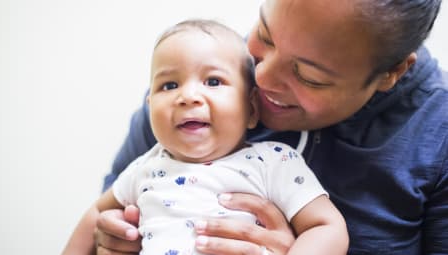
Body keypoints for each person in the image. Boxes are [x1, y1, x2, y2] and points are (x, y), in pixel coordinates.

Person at [95, 0, 448, 254]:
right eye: (265, 33)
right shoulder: (193, 94)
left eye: (309, 76)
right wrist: (111, 237)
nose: (260, 78)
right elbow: (102, 218)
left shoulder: (438, 135)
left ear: (391, 73)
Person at [63, 19, 348, 255]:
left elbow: (326, 227)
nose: (187, 96)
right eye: (169, 85)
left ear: (251, 108)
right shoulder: (145, 167)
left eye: (213, 81)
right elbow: (95, 217)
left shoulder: (272, 161)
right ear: (149, 107)